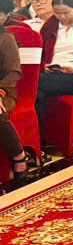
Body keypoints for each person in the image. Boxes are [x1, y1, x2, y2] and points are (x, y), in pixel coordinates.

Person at [0, 26, 26, 180]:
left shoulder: (6, 39)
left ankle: (18, 155)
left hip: (5, 90)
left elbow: (13, 73)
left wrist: (1, 92)